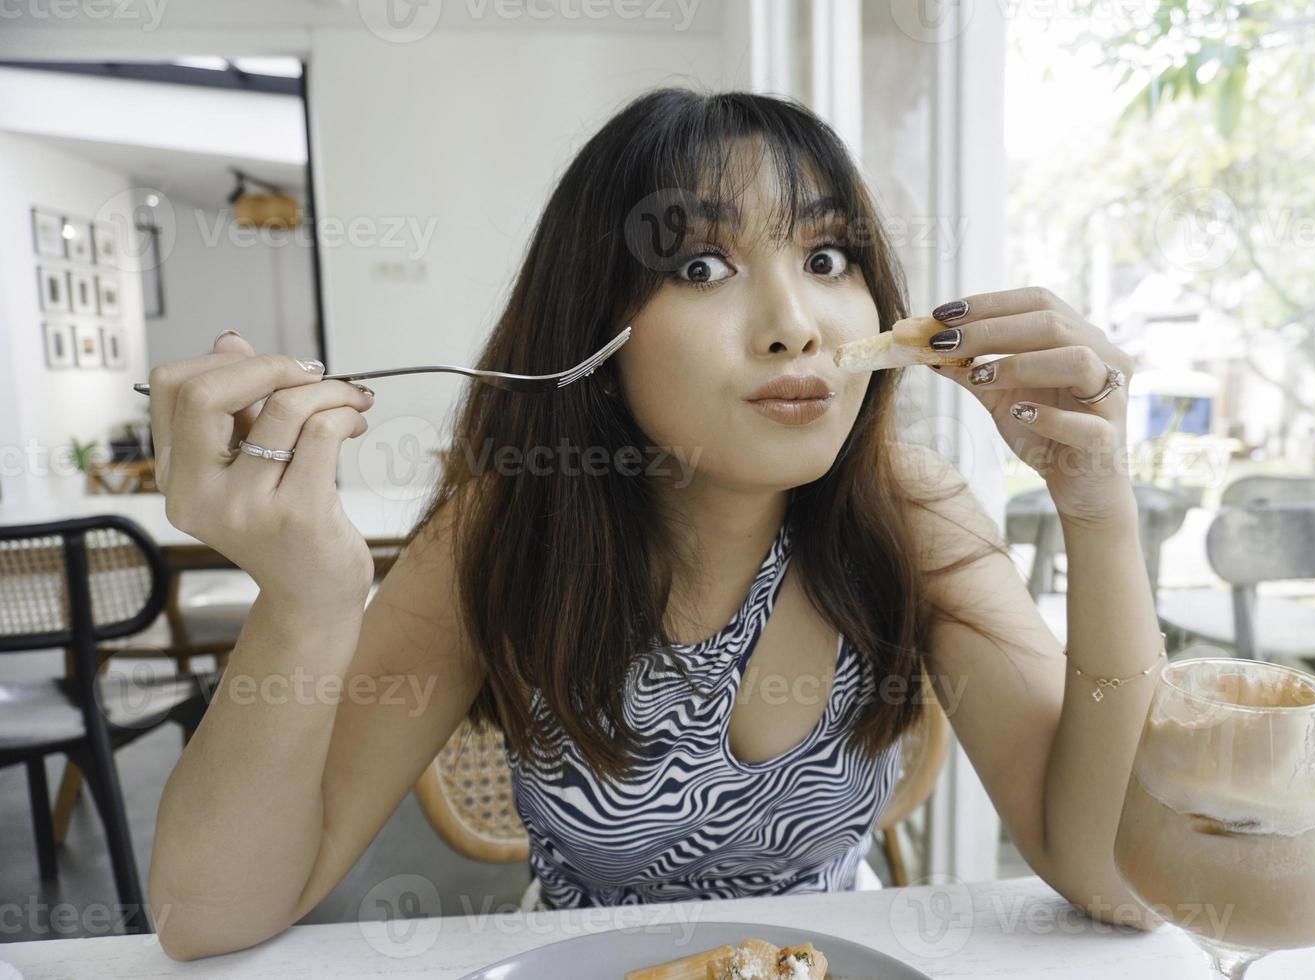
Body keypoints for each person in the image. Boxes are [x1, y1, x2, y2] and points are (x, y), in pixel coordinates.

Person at [147, 87, 1158, 960]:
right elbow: (210, 914)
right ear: (596, 334)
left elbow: (1118, 880)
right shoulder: (502, 532)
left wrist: (1100, 508)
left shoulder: (914, 513)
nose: (795, 323)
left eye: (828, 254)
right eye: (703, 268)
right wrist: (304, 600)